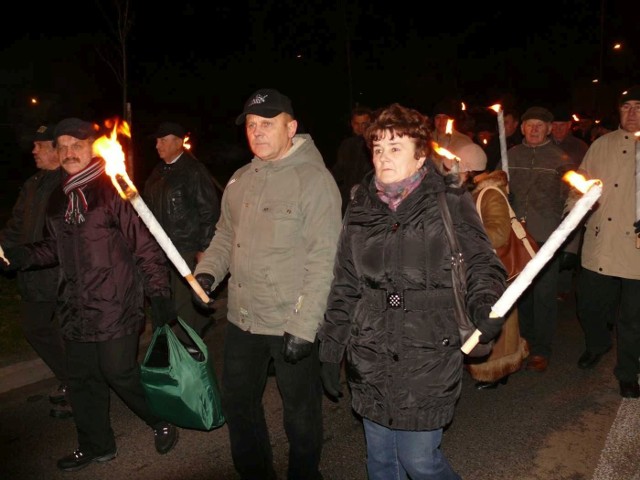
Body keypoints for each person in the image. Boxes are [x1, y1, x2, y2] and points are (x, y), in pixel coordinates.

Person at [318, 103, 507, 480]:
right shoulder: (360, 205)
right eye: (378, 148)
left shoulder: (449, 200)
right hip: (370, 351)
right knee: (381, 463)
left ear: (421, 155)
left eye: (395, 147)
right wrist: (331, 344)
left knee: (419, 462)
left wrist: (484, 303)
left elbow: (483, 263)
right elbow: (345, 281)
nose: (383, 157)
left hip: (428, 349)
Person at [0, 118, 179, 471]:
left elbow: (144, 246)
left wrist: (159, 294)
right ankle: (96, 445)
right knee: (82, 380)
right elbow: (54, 248)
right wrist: (19, 257)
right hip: (74, 306)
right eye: (62, 146)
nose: (68, 152)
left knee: (119, 373)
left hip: (116, 303)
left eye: (76, 145)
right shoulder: (58, 198)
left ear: (92, 147)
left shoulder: (114, 188)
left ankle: (160, 420)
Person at [192, 89, 342, 480]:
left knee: (300, 411)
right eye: (252, 126)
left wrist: (305, 325)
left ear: (290, 128)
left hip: (291, 321)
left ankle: (304, 474)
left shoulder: (314, 181)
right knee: (238, 405)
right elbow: (226, 235)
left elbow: (324, 258)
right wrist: (209, 271)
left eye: (267, 124)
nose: (257, 133)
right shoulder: (241, 179)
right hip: (243, 318)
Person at [568, 86, 640, 398]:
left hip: (636, 247)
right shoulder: (602, 144)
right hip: (602, 239)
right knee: (590, 305)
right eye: (627, 107)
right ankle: (597, 344)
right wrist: (575, 209)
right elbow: (580, 182)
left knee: (633, 317)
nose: (633, 113)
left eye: (639, 106)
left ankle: (627, 371)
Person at [0, 123, 71, 419]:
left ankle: (77, 389)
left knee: (64, 334)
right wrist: (3, 250)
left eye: (39, 145)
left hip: (60, 275)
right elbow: (17, 226)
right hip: (32, 272)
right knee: (36, 328)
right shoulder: (33, 184)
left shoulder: (68, 183)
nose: (33, 150)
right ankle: (73, 380)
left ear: (55, 149)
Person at [455, 143, 530, 389]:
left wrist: (463, 235)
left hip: (497, 270)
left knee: (501, 323)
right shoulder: (474, 192)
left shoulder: (490, 193)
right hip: (482, 267)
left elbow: (498, 233)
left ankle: (499, 369)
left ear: (469, 170)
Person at [506, 106, 575, 373]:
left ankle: (541, 349)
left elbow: (573, 202)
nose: (534, 129)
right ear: (522, 128)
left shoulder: (561, 159)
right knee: (519, 294)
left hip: (547, 238)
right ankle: (523, 341)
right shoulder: (510, 155)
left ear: (549, 129)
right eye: (529, 124)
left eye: (540, 125)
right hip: (515, 237)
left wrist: (570, 245)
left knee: (544, 296)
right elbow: (495, 192)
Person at [143, 121, 220, 343]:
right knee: (166, 300)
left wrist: (204, 249)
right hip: (160, 249)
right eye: (156, 140)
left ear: (178, 142)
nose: (157, 145)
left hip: (185, 247)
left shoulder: (193, 171)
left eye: (163, 140)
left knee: (183, 303)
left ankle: (190, 347)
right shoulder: (157, 172)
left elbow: (209, 212)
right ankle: (195, 328)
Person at [550, 107, 589, 300]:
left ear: (569, 126)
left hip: (571, 202)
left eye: (562, 125)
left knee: (567, 246)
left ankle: (563, 288)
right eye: (554, 125)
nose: (557, 129)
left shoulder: (580, 147)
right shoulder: (545, 145)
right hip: (549, 203)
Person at [331, 106, 373, 214]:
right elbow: (339, 171)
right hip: (348, 202)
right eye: (356, 124)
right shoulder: (346, 144)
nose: (360, 128)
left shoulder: (375, 144)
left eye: (364, 124)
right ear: (351, 124)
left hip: (369, 201)